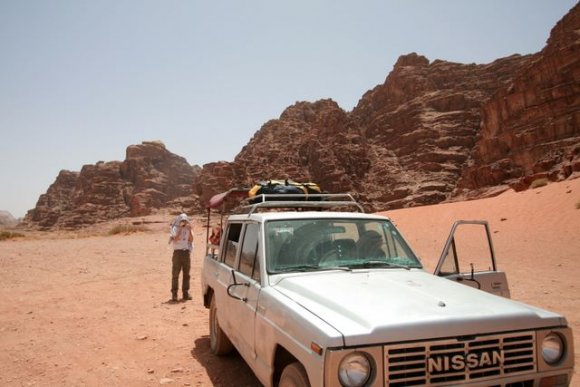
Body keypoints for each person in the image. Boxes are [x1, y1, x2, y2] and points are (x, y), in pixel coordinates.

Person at [169, 213, 194, 302]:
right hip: (177, 253)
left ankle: (185, 293)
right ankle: (174, 294)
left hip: (186, 252)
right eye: (182, 220)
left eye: (185, 221)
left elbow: (191, 240)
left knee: (186, 274)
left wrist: (189, 230)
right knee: (175, 274)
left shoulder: (188, 229)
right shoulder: (174, 228)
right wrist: (180, 229)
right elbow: (175, 239)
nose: (183, 222)